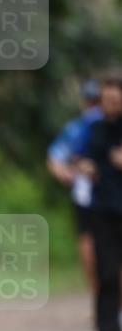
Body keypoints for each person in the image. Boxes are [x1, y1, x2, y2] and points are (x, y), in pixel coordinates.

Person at [77, 76, 122, 331]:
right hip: (103, 210)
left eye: (116, 101)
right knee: (105, 274)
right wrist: (86, 166)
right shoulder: (92, 129)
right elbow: (78, 158)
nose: (111, 105)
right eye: (107, 100)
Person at [47, 80, 102, 292]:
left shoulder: (80, 126)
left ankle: (104, 300)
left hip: (101, 195)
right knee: (90, 244)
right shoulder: (79, 128)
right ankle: (102, 299)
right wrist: (67, 174)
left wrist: (64, 172)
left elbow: (55, 158)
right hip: (87, 195)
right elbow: (56, 158)